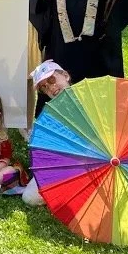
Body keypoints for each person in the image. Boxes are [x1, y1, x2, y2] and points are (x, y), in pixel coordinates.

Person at [21, 60, 72, 207]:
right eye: (44, 87)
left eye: (51, 79)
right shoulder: (49, 116)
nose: (50, 87)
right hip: (65, 165)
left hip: (98, 158)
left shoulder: (88, 99)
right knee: (29, 197)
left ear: (66, 76)